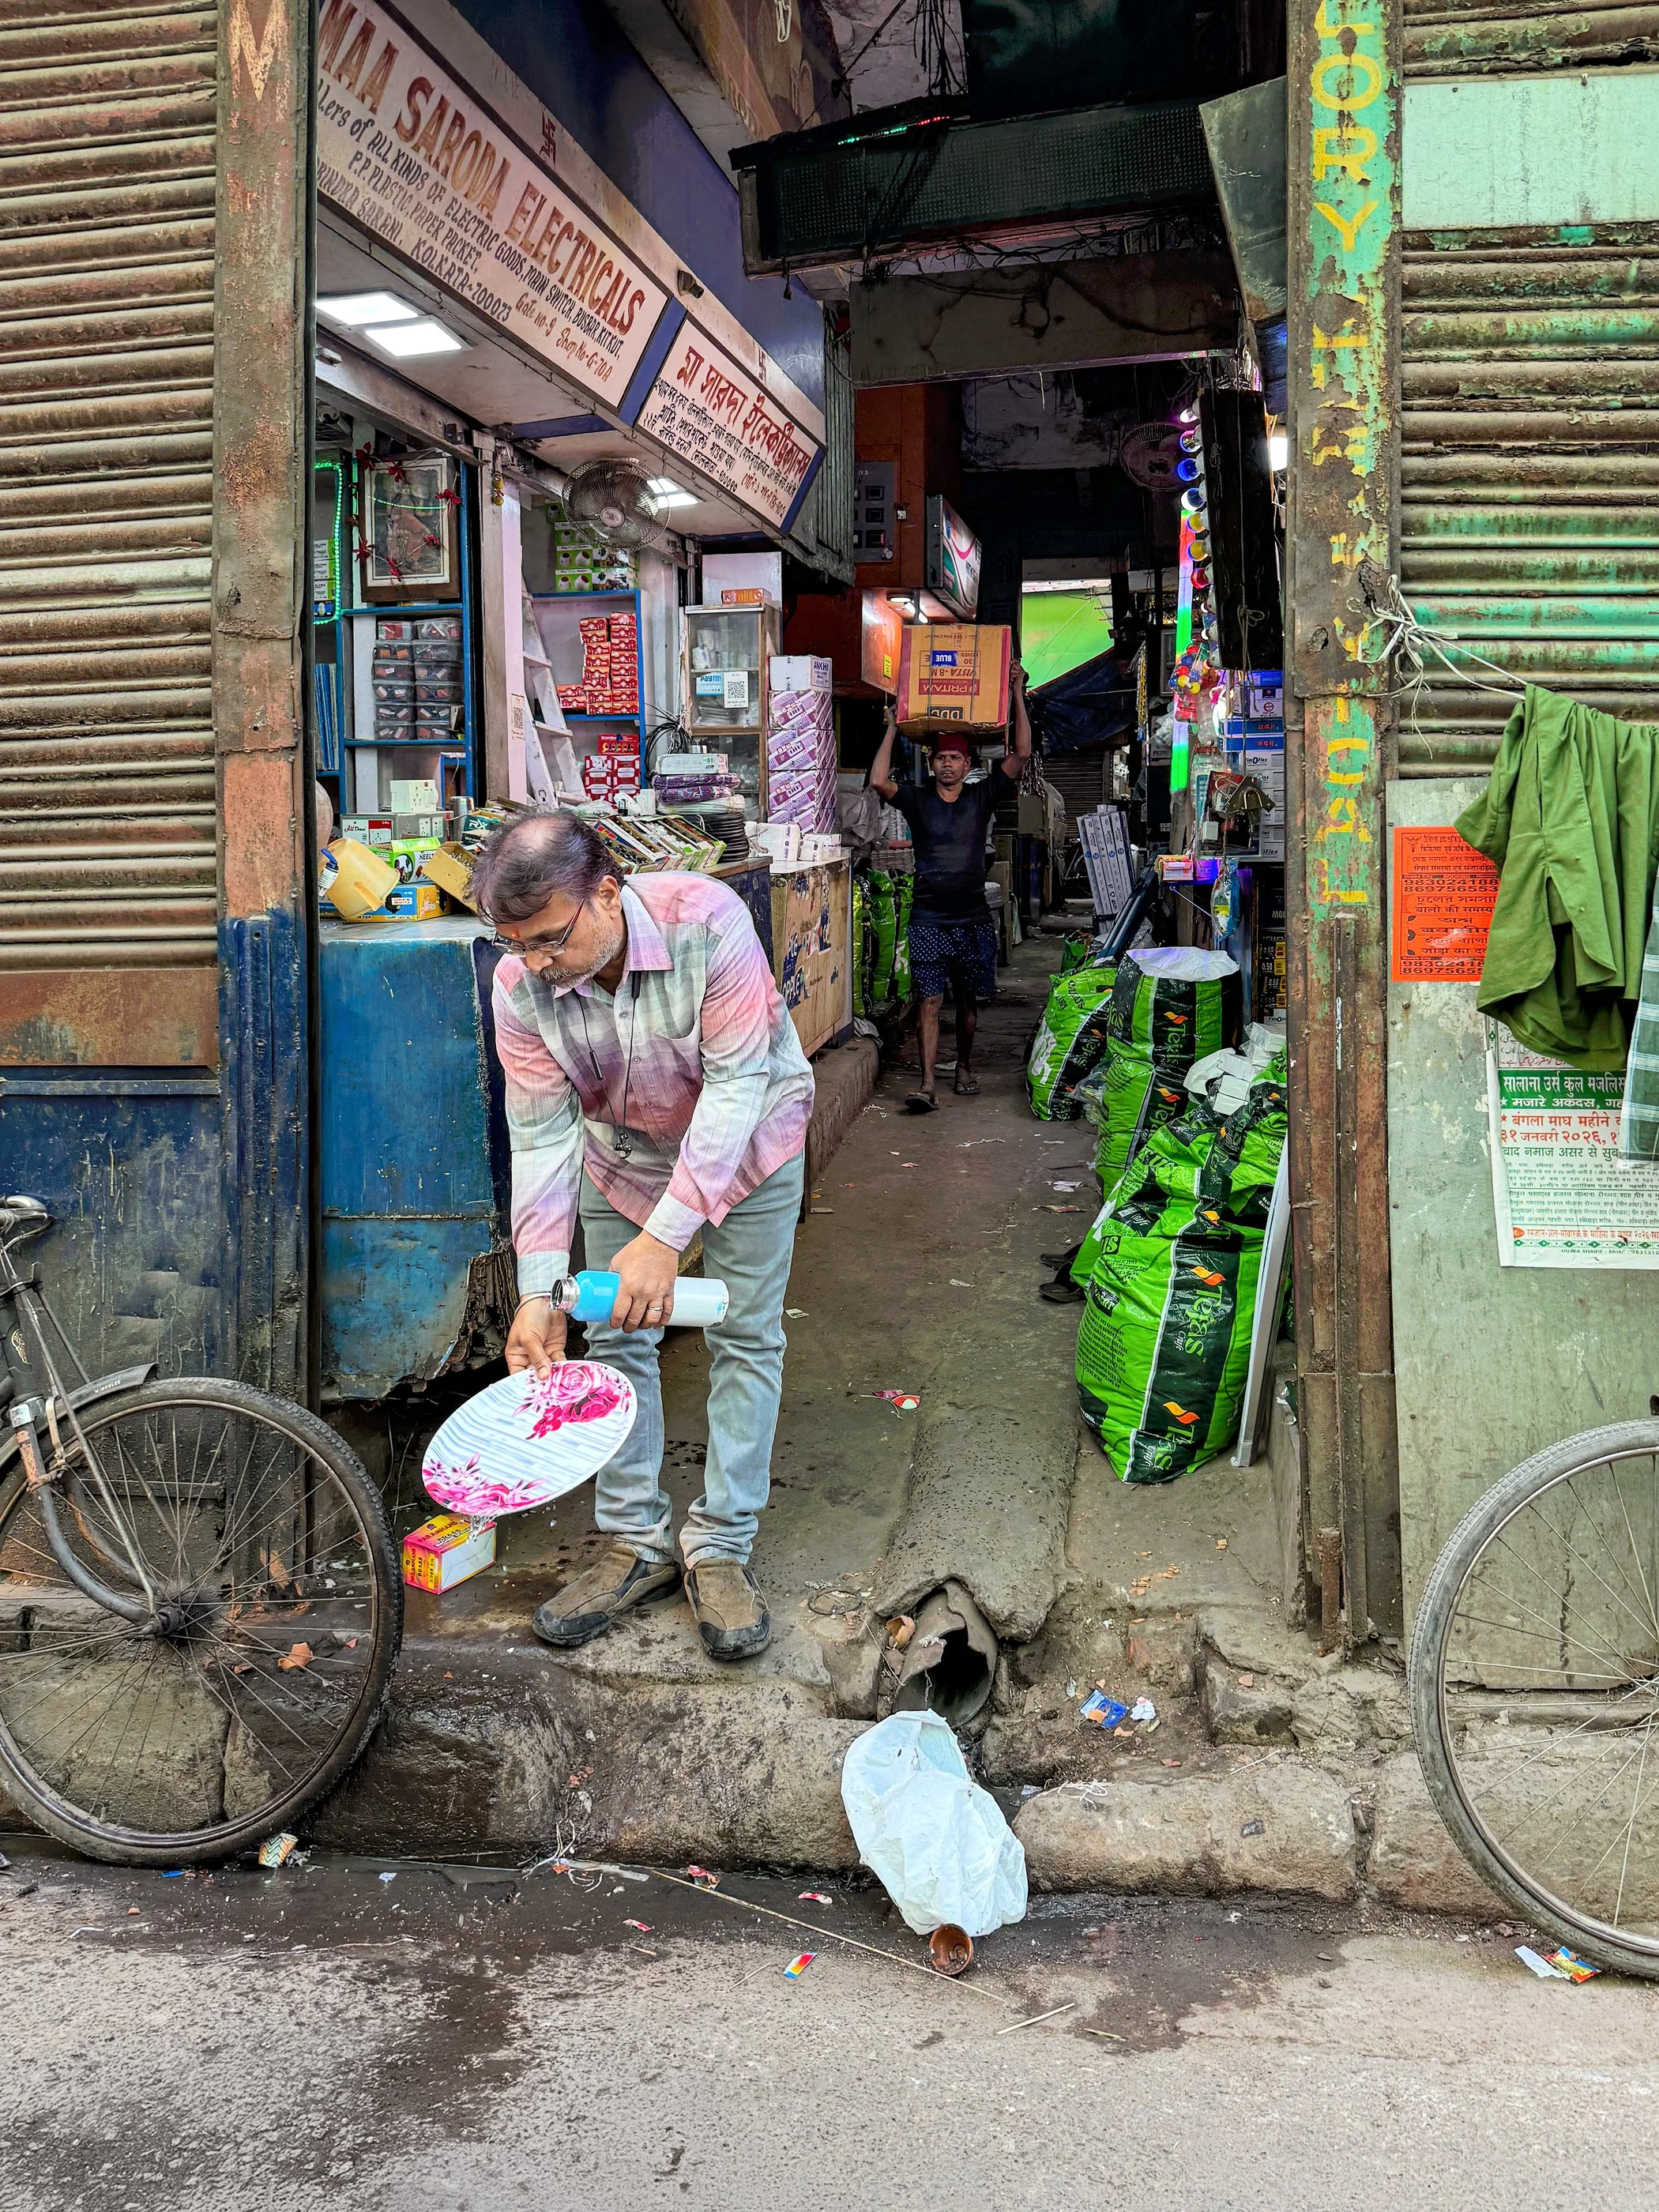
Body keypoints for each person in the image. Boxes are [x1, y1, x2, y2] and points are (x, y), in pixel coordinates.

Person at [471, 811, 814, 1662]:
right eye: (519, 947)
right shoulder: (519, 988)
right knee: (612, 1333)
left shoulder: (710, 920)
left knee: (744, 1336)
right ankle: (635, 1540)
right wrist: (538, 1290)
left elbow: (737, 1087)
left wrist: (666, 1239)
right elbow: (543, 1136)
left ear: (609, 893)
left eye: (551, 939)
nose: (539, 965)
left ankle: (722, 1543)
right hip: (620, 1156)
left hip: (753, 1143)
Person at [870, 659, 1032, 1111]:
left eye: (955, 758)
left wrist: (1016, 692)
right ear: (932, 761)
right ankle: (927, 1083)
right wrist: (890, 729)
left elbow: (1020, 755)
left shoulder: (982, 796)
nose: (947, 765)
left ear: (967, 763)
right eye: (941, 758)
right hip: (928, 918)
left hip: (972, 917)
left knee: (967, 1002)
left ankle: (963, 1066)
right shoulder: (918, 801)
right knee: (928, 999)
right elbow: (879, 780)